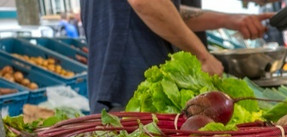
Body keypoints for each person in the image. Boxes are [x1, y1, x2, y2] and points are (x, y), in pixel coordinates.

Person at [81, 0, 274, 113]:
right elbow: (146, 3)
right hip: (128, 89)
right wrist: (202, 55)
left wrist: (230, 20)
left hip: (134, 87)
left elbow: (167, 10)